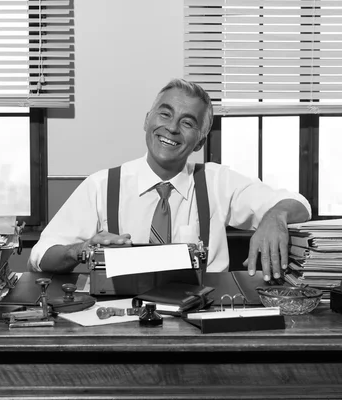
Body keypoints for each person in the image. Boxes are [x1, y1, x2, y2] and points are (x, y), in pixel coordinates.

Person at [28, 78, 311, 280]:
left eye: (188, 123)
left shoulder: (217, 182)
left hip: (202, 316)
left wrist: (275, 216)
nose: (172, 128)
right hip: (120, 319)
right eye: (165, 114)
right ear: (147, 120)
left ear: (199, 142)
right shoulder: (101, 186)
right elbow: (41, 255)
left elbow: (299, 204)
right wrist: (80, 250)